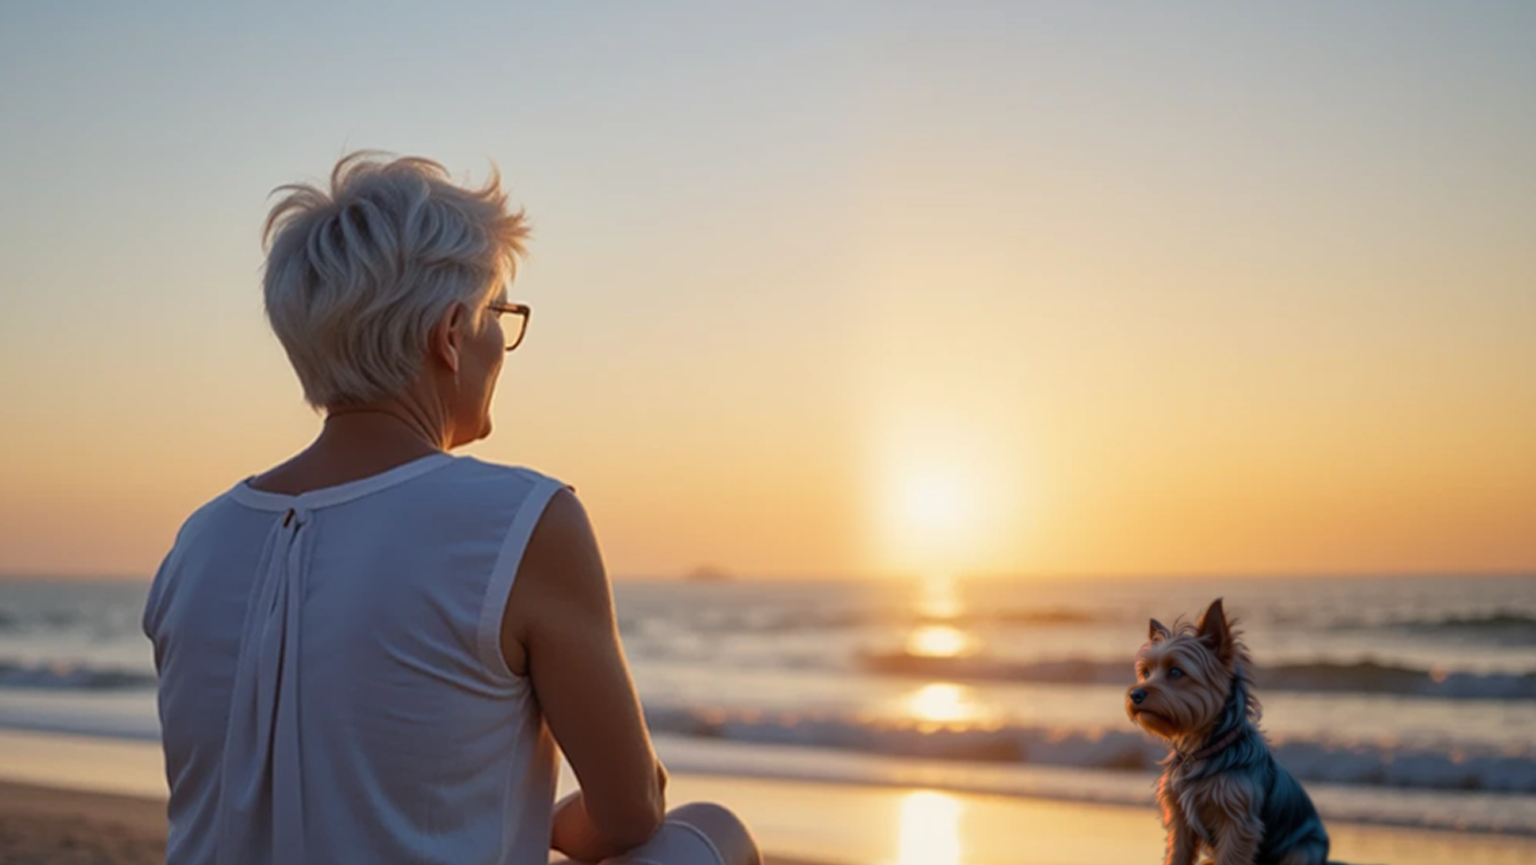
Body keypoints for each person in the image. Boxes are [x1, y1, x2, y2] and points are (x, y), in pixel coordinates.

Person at [142, 152, 762, 865]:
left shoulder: (200, 538)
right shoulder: (524, 520)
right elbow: (630, 811)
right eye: (498, 313)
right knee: (715, 830)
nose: (502, 340)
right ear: (449, 334)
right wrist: (549, 825)